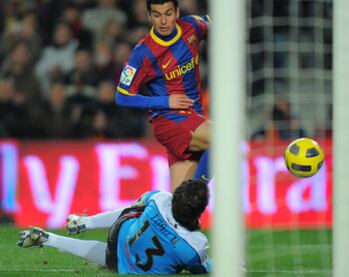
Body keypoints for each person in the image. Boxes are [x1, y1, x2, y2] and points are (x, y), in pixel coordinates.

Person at [17, 179, 212, 275]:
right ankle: (54, 237)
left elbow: (139, 204)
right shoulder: (195, 245)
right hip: (131, 267)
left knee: (136, 210)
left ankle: (82, 223)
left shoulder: (161, 199)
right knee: (114, 258)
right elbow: (202, 270)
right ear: (201, 209)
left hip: (121, 236)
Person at [115, 0, 211, 191]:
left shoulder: (192, 26)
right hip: (169, 120)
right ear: (150, 16)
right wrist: (166, 101)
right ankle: (196, 192)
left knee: (179, 211)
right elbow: (122, 96)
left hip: (194, 117)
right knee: (224, 139)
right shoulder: (142, 53)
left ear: (176, 12)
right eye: (157, 15)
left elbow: (211, 21)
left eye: (168, 13)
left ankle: (88, 222)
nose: (163, 21)